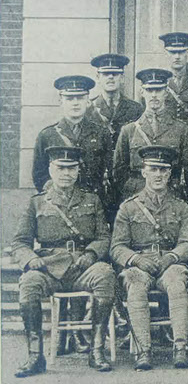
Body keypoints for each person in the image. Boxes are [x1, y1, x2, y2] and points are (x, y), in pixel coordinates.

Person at [12, 146, 116, 377]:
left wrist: (91, 254)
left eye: (71, 169)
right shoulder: (37, 202)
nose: (66, 173)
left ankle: (97, 351)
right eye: (60, 168)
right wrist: (30, 259)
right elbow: (20, 242)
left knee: (105, 274)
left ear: (78, 171)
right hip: (49, 269)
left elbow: (103, 237)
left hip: (82, 267)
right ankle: (34, 356)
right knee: (29, 282)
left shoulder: (92, 200)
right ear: (50, 169)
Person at [110, 146, 188, 370]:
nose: (159, 175)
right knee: (135, 285)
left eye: (164, 170)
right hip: (140, 264)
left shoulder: (181, 207)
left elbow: (187, 243)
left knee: (177, 283)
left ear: (170, 174)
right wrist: (136, 259)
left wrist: (172, 257)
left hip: (170, 263)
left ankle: (180, 347)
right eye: (153, 169)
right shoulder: (128, 208)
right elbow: (117, 247)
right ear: (143, 172)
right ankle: (143, 350)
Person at [114, 68, 188, 200]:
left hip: (170, 195)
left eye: (158, 90)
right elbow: (118, 170)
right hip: (136, 196)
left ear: (166, 93)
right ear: (142, 92)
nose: (154, 95)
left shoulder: (181, 129)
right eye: (149, 90)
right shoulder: (129, 130)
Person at [32, 76, 112, 200]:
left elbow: (110, 171)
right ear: (61, 101)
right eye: (69, 98)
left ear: (87, 101)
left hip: (93, 203)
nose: (75, 103)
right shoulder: (47, 135)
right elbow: (39, 175)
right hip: (60, 202)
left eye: (80, 98)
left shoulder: (102, 133)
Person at [87, 53, 143, 145]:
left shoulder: (136, 109)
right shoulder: (89, 109)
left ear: (122, 78)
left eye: (115, 74)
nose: (110, 77)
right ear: (98, 78)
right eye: (105, 74)